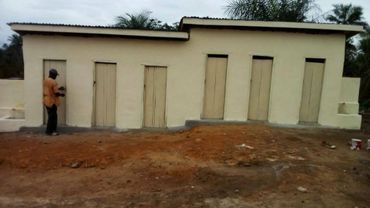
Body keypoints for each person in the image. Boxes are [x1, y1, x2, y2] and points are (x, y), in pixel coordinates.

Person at [43, 68, 65, 136]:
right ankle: (50, 131)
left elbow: (50, 89)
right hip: (52, 102)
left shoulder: (45, 80)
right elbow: (56, 93)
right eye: (55, 75)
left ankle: (49, 131)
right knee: (53, 117)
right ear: (52, 74)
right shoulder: (54, 82)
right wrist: (61, 94)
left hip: (46, 100)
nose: (55, 76)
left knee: (50, 116)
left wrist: (59, 88)